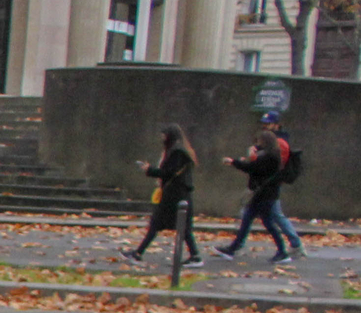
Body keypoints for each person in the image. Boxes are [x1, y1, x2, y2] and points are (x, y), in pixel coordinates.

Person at [216, 112, 305, 263]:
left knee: (273, 218)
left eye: (268, 124)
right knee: (253, 217)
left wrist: (244, 161)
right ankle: (235, 247)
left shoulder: (277, 147)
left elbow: (262, 167)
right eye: (263, 124)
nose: (264, 127)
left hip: (266, 190)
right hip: (262, 190)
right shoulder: (268, 148)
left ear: (276, 124)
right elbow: (256, 164)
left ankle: (290, 247)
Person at [123, 124, 200, 267]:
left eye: (164, 135)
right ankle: (195, 256)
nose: (162, 138)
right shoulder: (179, 150)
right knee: (181, 227)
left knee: (159, 224)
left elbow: (169, 172)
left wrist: (150, 170)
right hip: (178, 195)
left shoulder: (177, 152)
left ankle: (138, 253)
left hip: (175, 196)